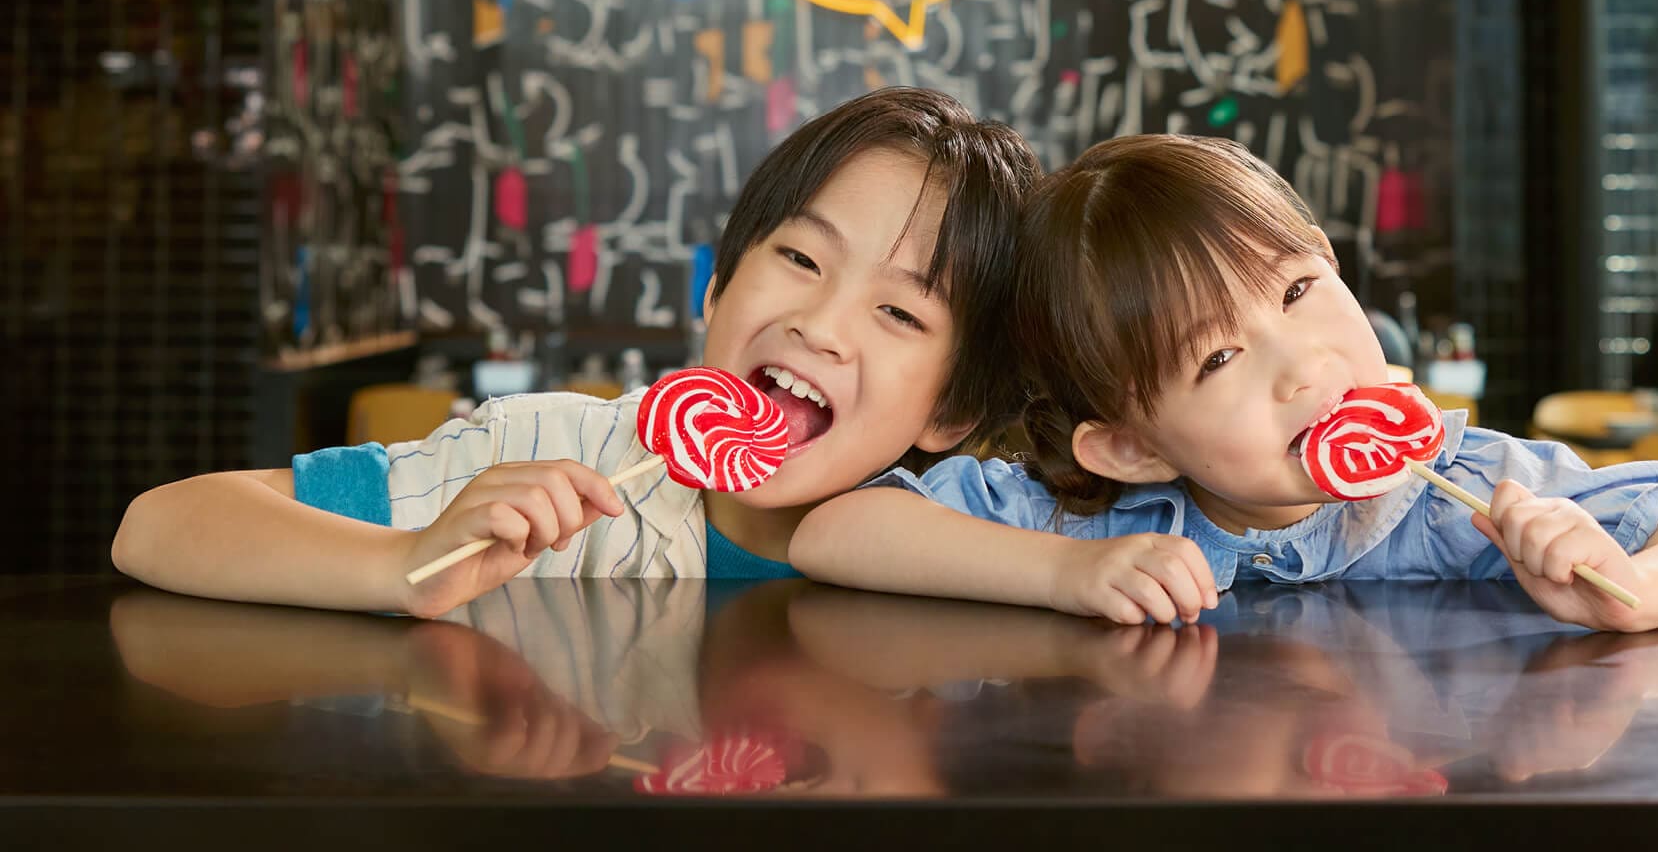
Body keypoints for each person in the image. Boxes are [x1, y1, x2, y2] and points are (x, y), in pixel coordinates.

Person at [791, 135, 1658, 632]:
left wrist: (1638, 588)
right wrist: (1062, 577)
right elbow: (834, 531)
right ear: (1132, 444)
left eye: (1299, 291)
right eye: (1218, 358)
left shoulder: (1475, 491)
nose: (1305, 366)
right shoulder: (1101, 522)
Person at [112, 87, 1040, 617]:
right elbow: (157, 524)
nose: (823, 326)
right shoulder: (546, 454)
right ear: (715, 290)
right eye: (799, 258)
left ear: (955, 408)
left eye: (901, 314)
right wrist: (403, 565)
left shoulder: (988, 553)